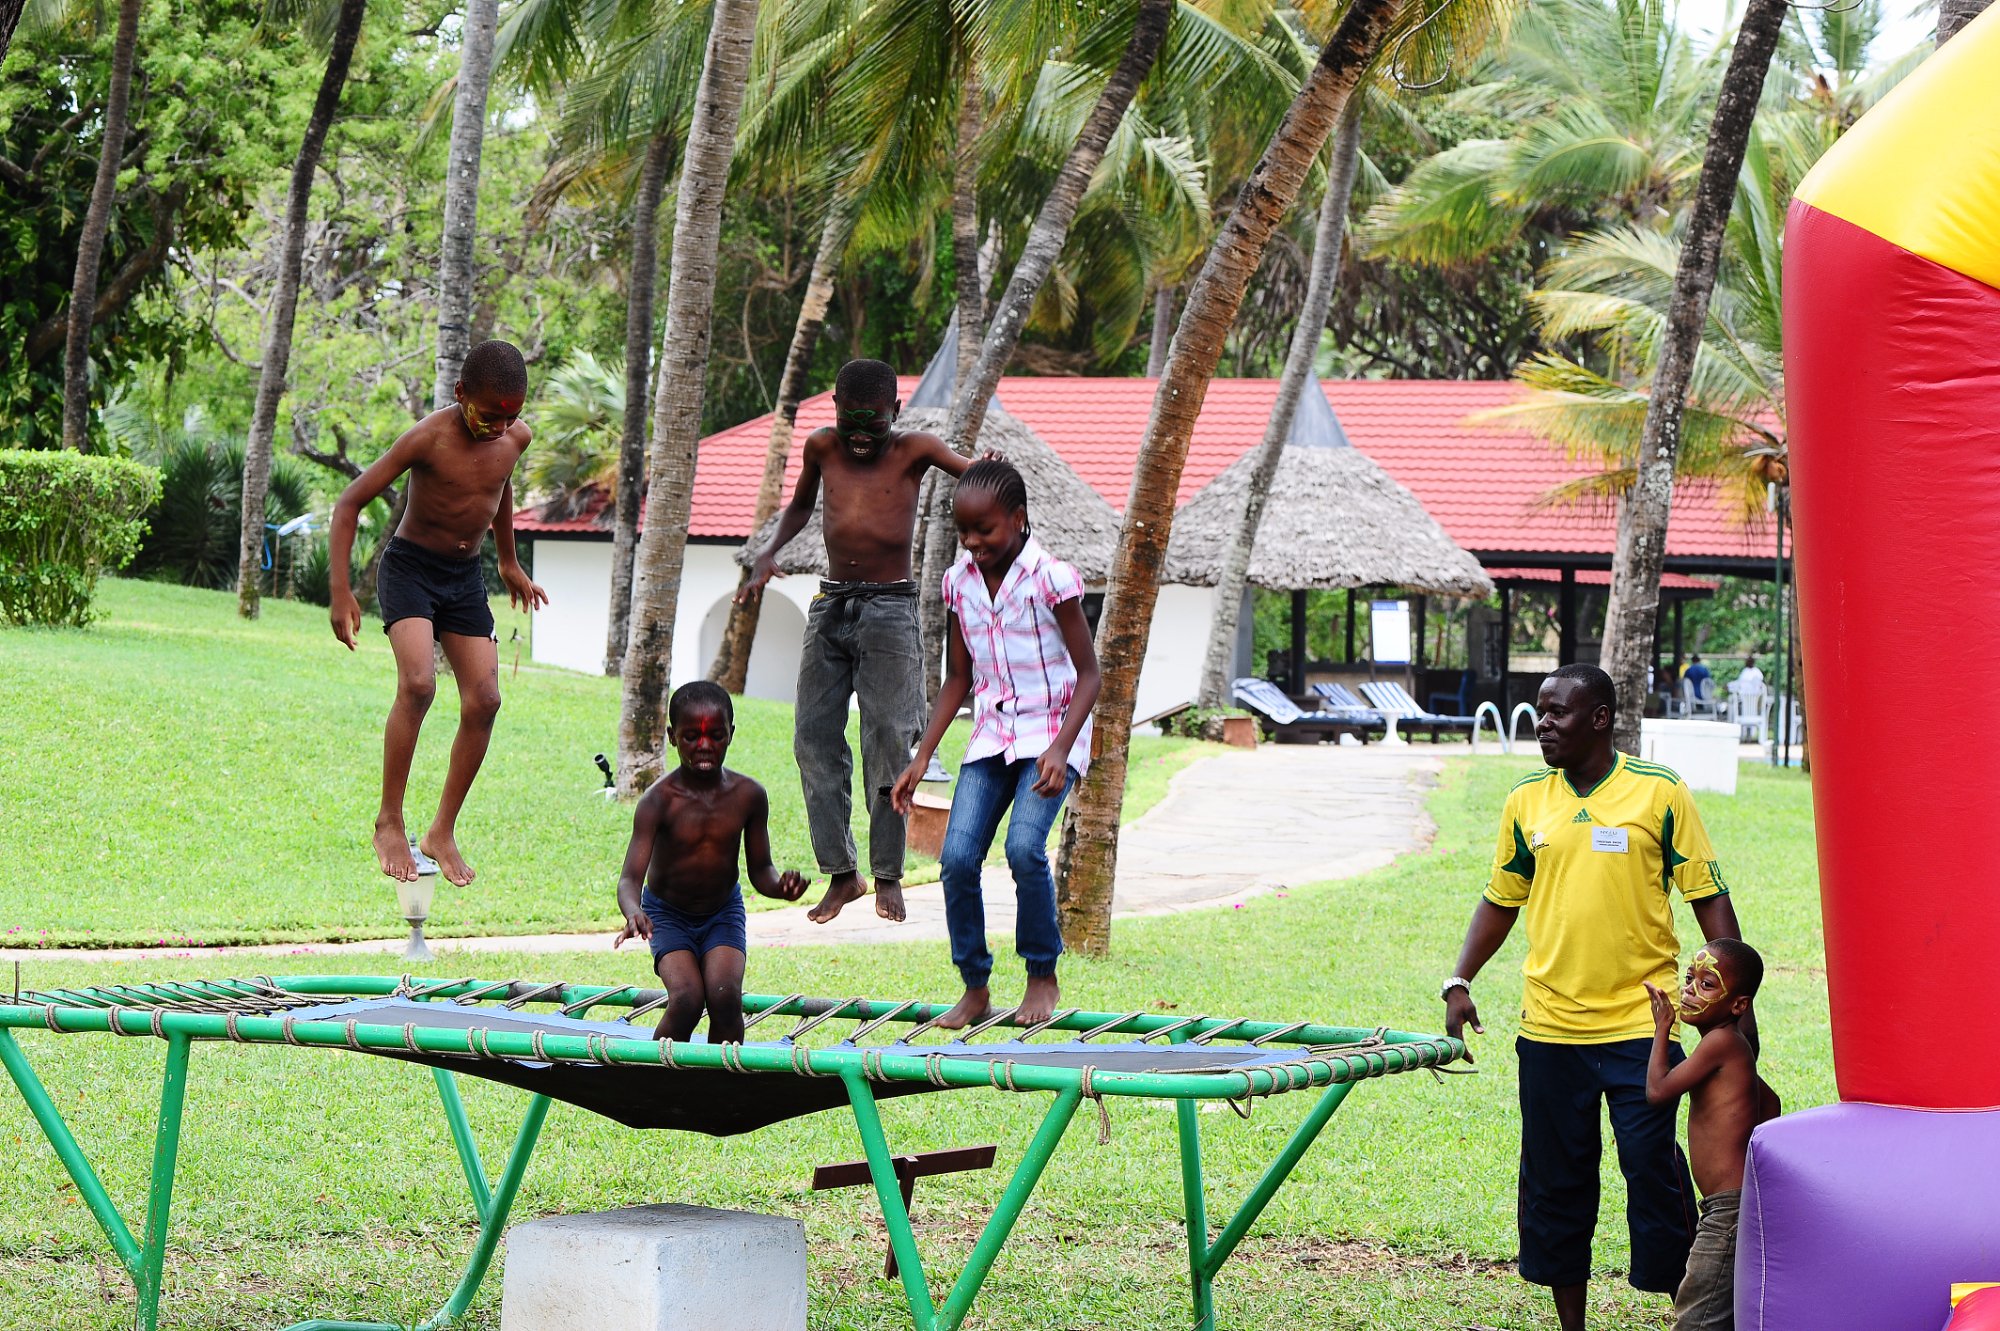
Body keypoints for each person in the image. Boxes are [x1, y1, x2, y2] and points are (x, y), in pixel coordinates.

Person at [1440, 663, 1750, 1331]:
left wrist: (1736, 1005)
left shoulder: (1660, 792)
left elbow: (1707, 896)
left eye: (1557, 712)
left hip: (1646, 1031)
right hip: (1551, 1029)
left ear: (1601, 717)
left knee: (1654, 1175)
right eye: (1540, 711)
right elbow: (1501, 898)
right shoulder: (1526, 800)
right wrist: (1460, 979)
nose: (1543, 723)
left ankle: (1689, 1313)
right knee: (1557, 1186)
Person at [736, 358, 978, 927]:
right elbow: (799, 505)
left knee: (889, 739)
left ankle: (888, 874)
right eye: (852, 422)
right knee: (813, 738)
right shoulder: (822, 447)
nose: (862, 435)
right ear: (835, 415)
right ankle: (843, 873)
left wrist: (984, 467)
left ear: (897, 412)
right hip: (832, 605)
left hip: (891, 609)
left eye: (875, 422)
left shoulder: (916, 449)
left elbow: (972, 474)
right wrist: (769, 551)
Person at [329, 339, 548, 888]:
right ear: (459, 394)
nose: (500, 427)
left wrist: (507, 560)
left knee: (486, 698)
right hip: (410, 570)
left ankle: (441, 831)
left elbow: (498, 487)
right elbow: (348, 502)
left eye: (511, 416)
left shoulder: (514, 437)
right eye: (488, 413)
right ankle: (389, 820)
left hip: (464, 577)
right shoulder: (426, 438)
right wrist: (339, 590)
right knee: (420, 684)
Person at [890, 461, 1099, 1028]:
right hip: (991, 736)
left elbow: (1090, 675)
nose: (973, 543)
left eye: (986, 530)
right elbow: (957, 679)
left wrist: (1059, 748)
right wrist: (922, 756)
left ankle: (1041, 973)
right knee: (957, 859)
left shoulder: (1051, 580)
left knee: (1024, 850)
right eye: (964, 532)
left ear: (1018, 518)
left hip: (1051, 736)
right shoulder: (957, 583)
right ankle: (975, 986)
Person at [613, 682, 810, 1042]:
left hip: (722, 914)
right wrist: (633, 912)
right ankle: (656, 1087)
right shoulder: (658, 802)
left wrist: (781, 888)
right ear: (672, 737)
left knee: (725, 997)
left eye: (715, 735)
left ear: (730, 734)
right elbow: (629, 879)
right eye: (691, 737)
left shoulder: (748, 796)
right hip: (667, 917)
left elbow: (760, 869)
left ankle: (722, 1092)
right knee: (687, 998)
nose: (704, 745)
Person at [1643, 938, 1774, 1331]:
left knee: (1697, 1315)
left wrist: (1663, 1028)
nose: (1689, 990)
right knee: (1720, 1310)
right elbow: (1772, 1103)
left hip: (1727, 1210)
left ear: (1738, 1005)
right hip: (1730, 1204)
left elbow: (1657, 1092)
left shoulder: (1718, 1043)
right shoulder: (1732, 1048)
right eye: (1689, 978)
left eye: (1707, 984)